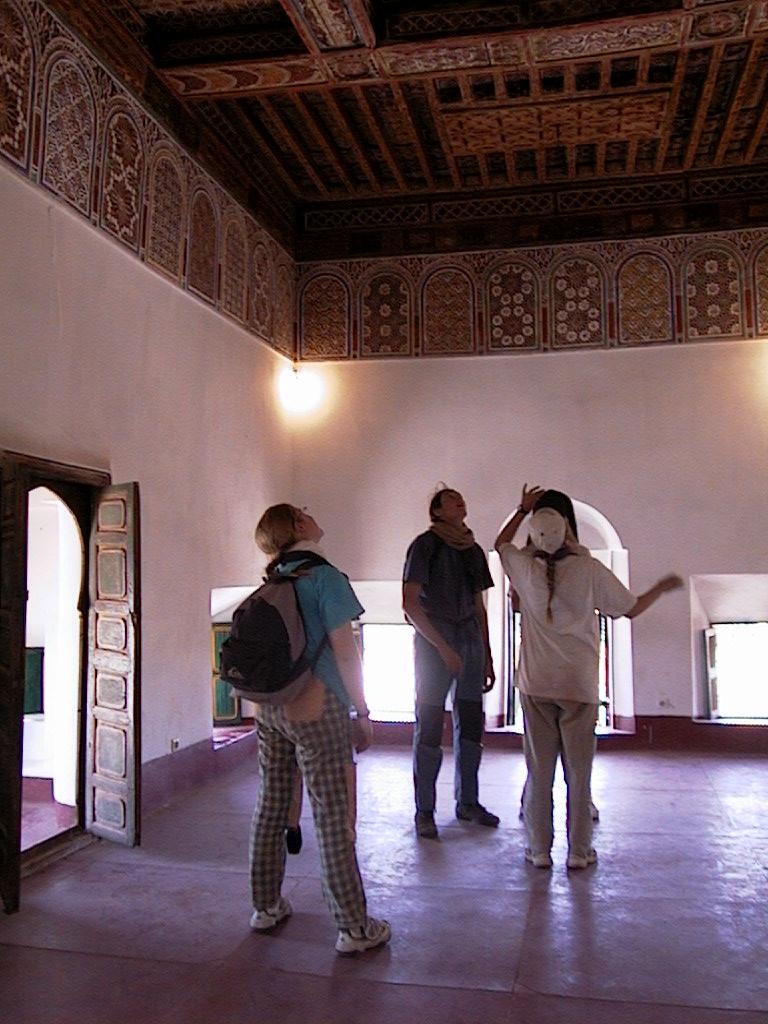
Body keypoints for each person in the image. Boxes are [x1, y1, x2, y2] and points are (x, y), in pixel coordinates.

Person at [495, 485, 682, 869]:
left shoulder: (524, 568)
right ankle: (579, 852)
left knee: (539, 773)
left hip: (536, 684)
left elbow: (500, 545)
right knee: (579, 776)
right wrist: (660, 589)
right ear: (568, 528)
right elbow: (630, 609)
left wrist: (521, 509)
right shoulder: (590, 569)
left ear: (534, 532)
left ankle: (539, 850)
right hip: (579, 685)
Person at [249, 503, 391, 954]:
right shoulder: (325, 578)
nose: (312, 514)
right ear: (298, 525)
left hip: (270, 707)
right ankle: (353, 927)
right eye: (304, 512)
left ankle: (265, 906)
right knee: (332, 814)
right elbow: (346, 652)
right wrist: (363, 711)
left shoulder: (274, 578)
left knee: (271, 805)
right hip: (317, 707)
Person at [403, 487, 498, 839]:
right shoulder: (424, 546)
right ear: (437, 511)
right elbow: (410, 604)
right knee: (429, 727)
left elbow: (478, 606)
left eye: (461, 497)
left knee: (471, 725)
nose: (460, 501)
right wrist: (442, 647)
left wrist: (486, 655)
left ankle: (468, 802)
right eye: (451, 498)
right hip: (433, 642)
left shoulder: (473, 550)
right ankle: (424, 810)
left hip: (469, 641)